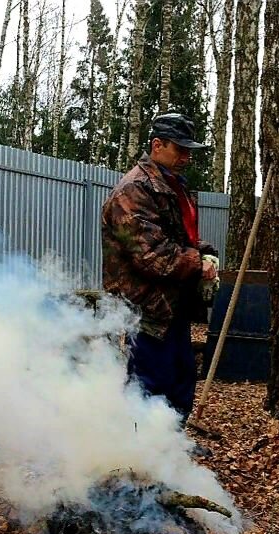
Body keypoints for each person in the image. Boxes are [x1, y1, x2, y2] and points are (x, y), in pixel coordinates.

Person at [101, 113, 217, 426]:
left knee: (180, 380)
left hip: (171, 304)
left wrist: (205, 252)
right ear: (156, 145)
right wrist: (197, 262)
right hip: (147, 307)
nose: (187, 156)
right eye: (180, 149)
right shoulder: (133, 191)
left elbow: (175, 238)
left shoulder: (169, 186)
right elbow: (150, 255)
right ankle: (139, 461)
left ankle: (170, 452)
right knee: (148, 386)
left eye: (188, 149)